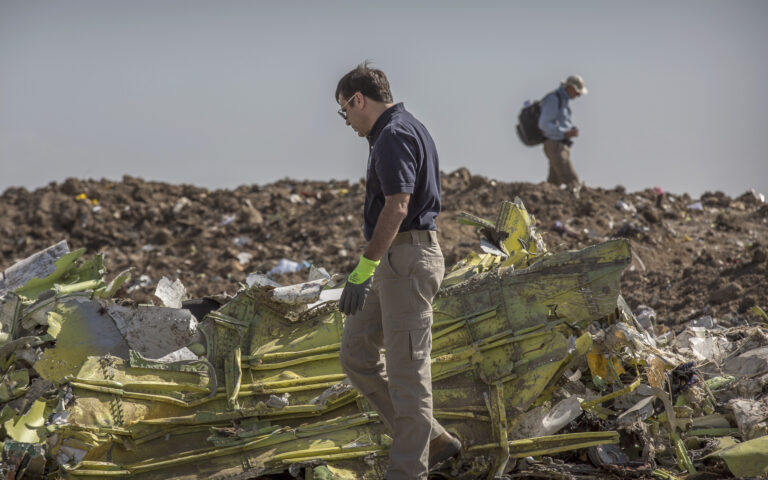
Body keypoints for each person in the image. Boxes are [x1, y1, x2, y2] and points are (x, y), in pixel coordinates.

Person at [334, 62, 461, 480]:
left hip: (407, 259)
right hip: (392, 260)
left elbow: (399, 205)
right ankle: (436, 439)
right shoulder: (393, 132)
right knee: (356, 354)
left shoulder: (392, 134)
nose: (347, 121)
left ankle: (408, 471)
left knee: (408, 374)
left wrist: (362, 268)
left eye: (344, 111)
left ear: (358, 99)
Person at [538, 74, 588, 187]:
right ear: (570, 88)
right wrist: (564, 132)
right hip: (555, 145)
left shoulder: (563, 101)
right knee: (572, 181)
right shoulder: (554, 99)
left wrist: (569, 131)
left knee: (554, 183)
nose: (578, 95)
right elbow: (544, 124)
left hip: (559, 144)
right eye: (577, 92)